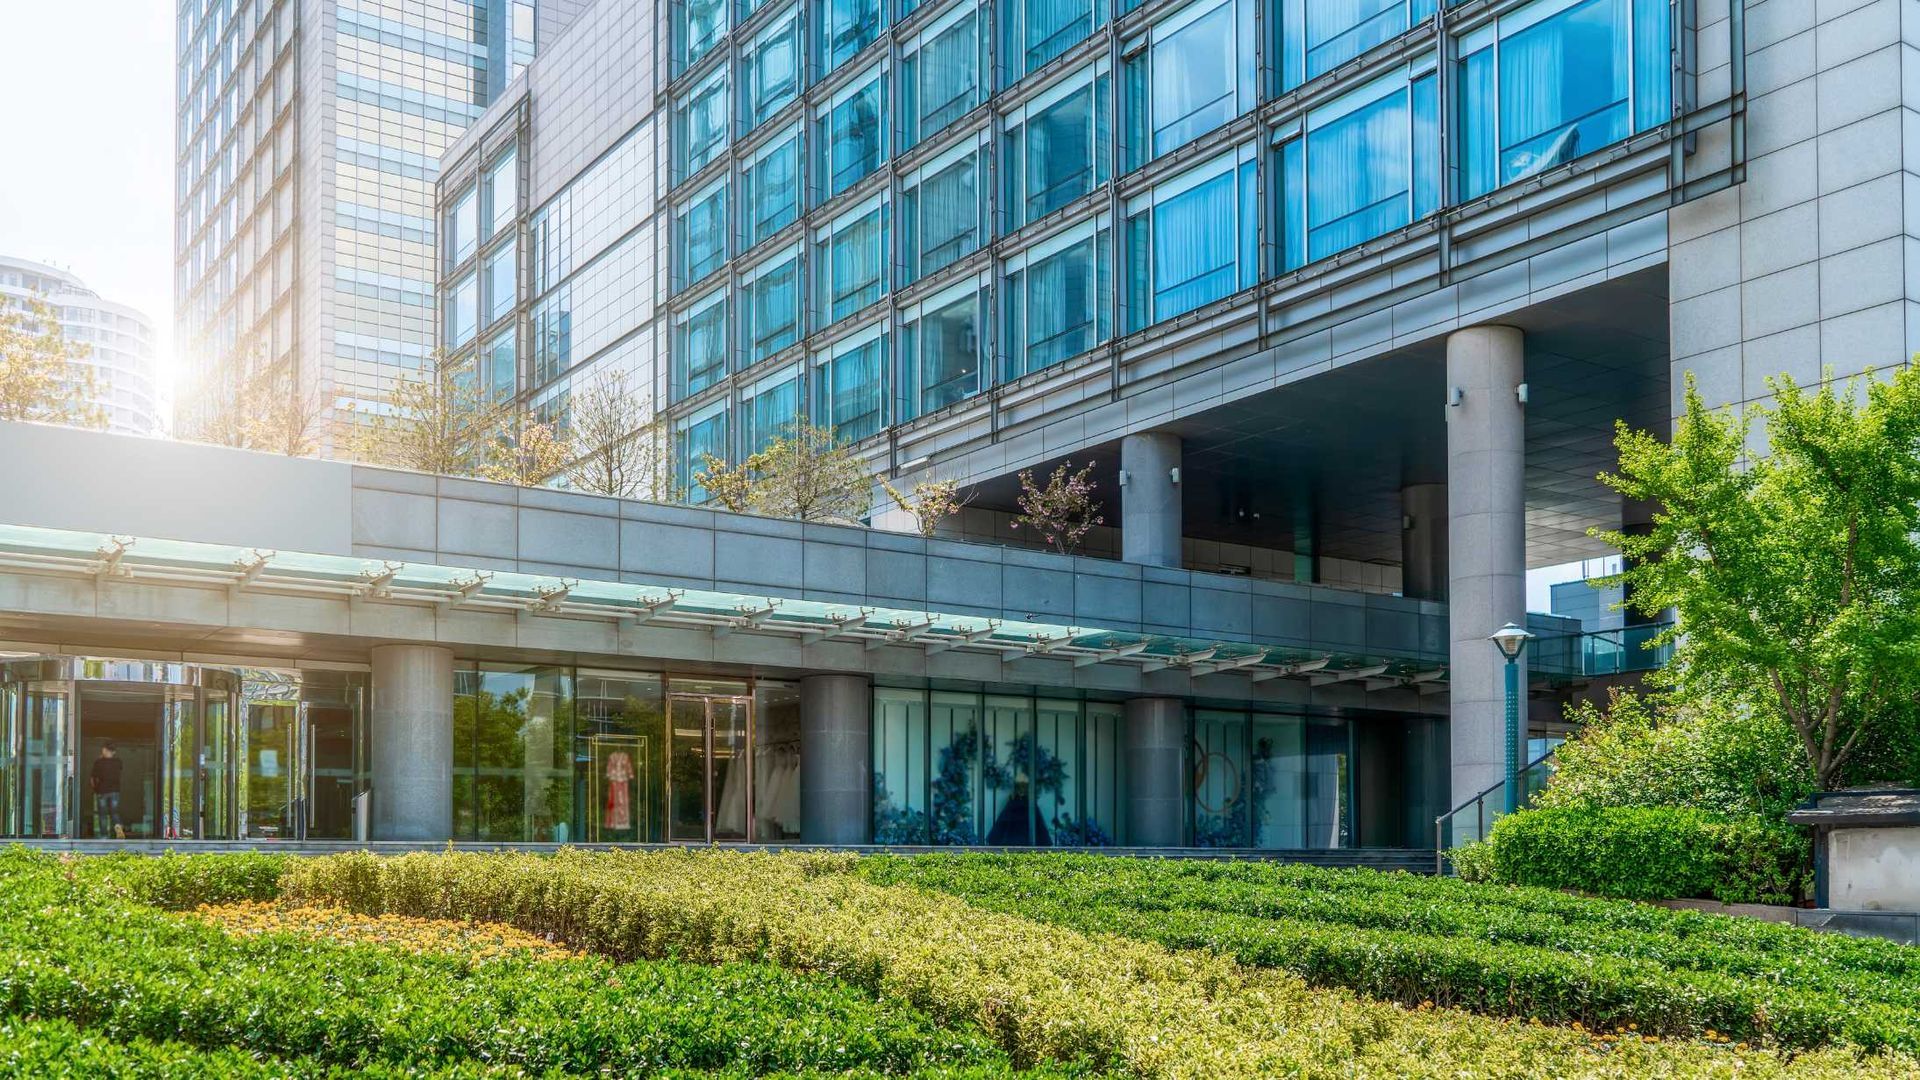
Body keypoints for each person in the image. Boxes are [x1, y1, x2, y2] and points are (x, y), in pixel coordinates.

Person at [90, 742, 124, 839]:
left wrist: (95, 789)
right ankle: (117, 825)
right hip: (115, 791)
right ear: (114, 752)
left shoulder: (98, 762)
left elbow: (92, 778)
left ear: (105, 750)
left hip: (102, 791)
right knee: (114, 812)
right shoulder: (118, 762)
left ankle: (104, 835)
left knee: (103, 814)